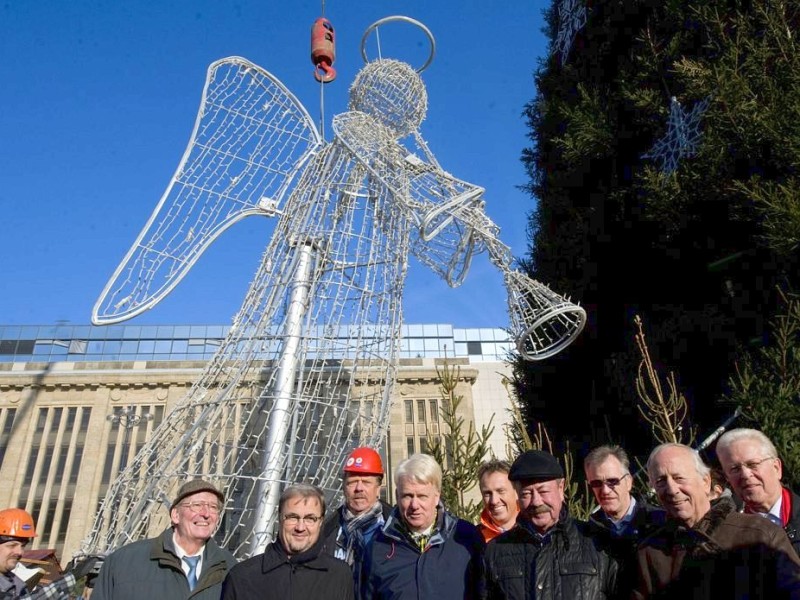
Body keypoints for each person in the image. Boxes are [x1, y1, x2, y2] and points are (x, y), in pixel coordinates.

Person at [633, 443, 800, 599]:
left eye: (679, 478)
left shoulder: (759, 533)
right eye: (661, 481)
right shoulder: (650, 552)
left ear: (706, 482)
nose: (671, 489)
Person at [483, 449, 619, 600]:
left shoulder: (598, 544)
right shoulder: (496, 552)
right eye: (526, 494)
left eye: (543, 491)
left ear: (561, 489)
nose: (536, 502)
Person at [360, 453, 484, 599]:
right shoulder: (378, 545)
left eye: (422, 496)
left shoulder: (465, 538)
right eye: (407, 496)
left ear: (437, 496)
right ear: (397, 496)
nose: (414, 505)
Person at [92, 479, 237, 600]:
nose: (206, 514)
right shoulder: (124, 561)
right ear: (175, 515)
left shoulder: (230, 567)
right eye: (197, 505)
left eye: (213, 507)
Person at [221, 483, 353, 600]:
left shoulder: (339, 575)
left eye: (310, 519)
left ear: (320, 522)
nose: (300, 528)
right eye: (292, 517)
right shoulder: (242, 577)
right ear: (279, 518)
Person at [716, 428, 800, 556]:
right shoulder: (728, 535)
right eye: (735, 469)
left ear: (776, 468)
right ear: (727, 479)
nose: (745, 474)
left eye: (752, 464)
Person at [584, 445, 665, 560]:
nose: (605, 491)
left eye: (612, 481)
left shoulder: (660, 523)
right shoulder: (586, 535)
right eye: (596, 483)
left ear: (628, 482)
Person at [0, 508, 97, 599]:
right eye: (12, 545)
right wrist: (71, 578)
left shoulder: (14, 582)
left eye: (23, 546)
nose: (20, 552)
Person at [322, 447, 391, 567]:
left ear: (378, 488)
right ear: (344, 488)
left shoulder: (395, 529)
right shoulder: (326, 531)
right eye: (352, 482)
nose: (359, 488)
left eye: (366, 482)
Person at [476, 460, 519, 542]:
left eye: (501, 491)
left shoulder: (535, 532)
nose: (494, 501)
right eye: (487, 493)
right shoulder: (474, 540)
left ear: (516, 491)